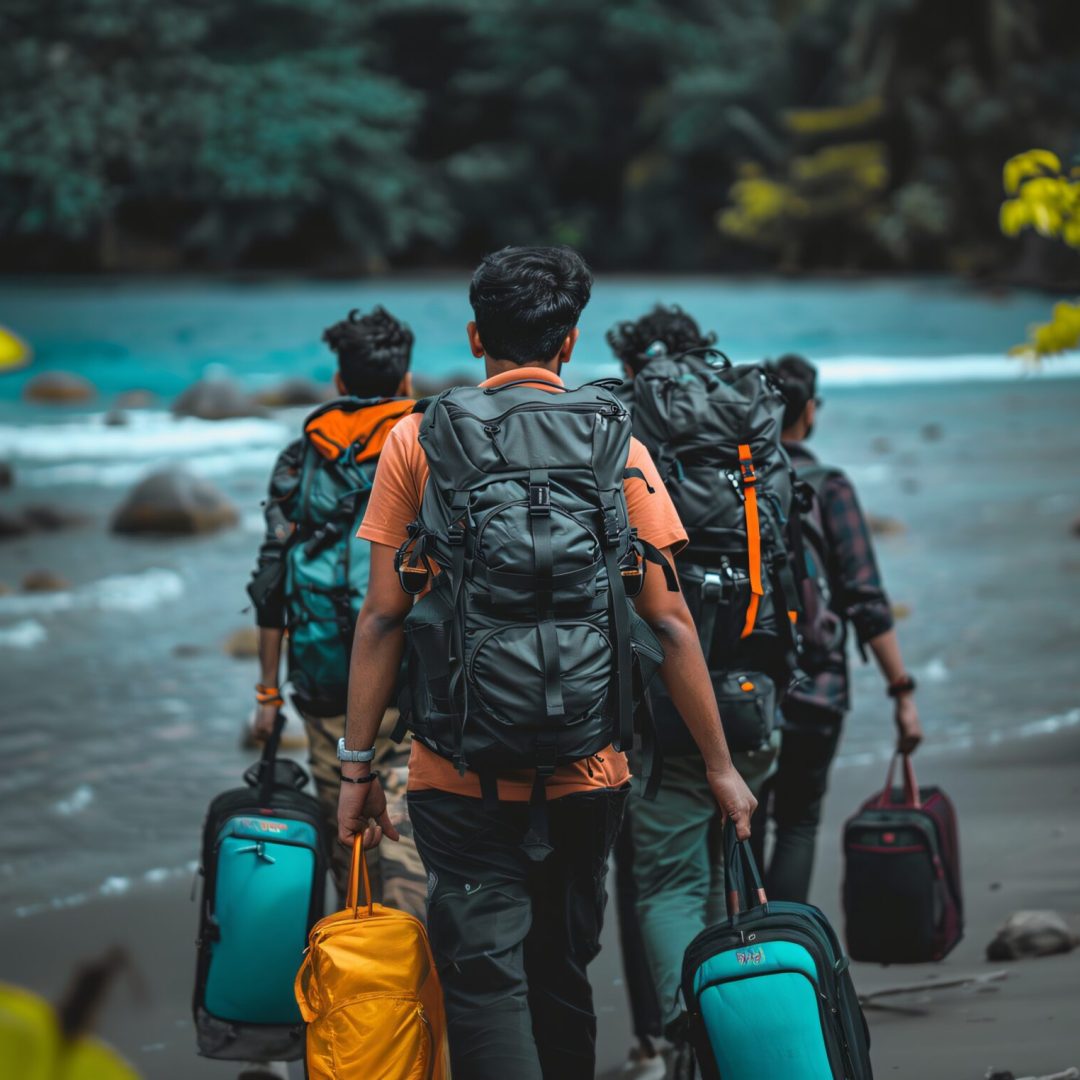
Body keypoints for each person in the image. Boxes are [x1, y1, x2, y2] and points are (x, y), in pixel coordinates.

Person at [336, 247, 756, 1080]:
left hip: (454, 772)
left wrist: (356, 769)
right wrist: (719, 767)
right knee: (562, 969)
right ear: (569, 343)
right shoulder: (617, 444)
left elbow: (382, 617)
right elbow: (670, 623)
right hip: (587, 769)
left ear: (473, 334)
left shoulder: (418, 439)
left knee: (484, 979)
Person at [606, 305, 782, 1044]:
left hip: (661, 704)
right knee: (719, 868)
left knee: (670, 880)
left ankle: (694, 1035)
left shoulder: (621, 428)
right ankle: (732, 1028)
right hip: (755, 688)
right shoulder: (746, 431)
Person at [247, 305, 426, 916]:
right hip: (413, 685)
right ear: (406, 381)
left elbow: (272, 579)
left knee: (349, 851)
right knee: (410, 856)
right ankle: (415, 989)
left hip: (327, 685)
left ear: (340, 383)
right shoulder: (429, 443)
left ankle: (360, 986)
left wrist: (268, 694)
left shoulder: (303, 458)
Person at [753, 353, 923, 903]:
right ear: (807, 413)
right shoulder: (829, 485)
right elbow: (866, 599)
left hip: (743, 690)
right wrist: (902, 691)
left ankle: (743, 957)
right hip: (817, 688)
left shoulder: (737, 483)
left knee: (743, 827)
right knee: (798, 824)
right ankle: (788, 963)